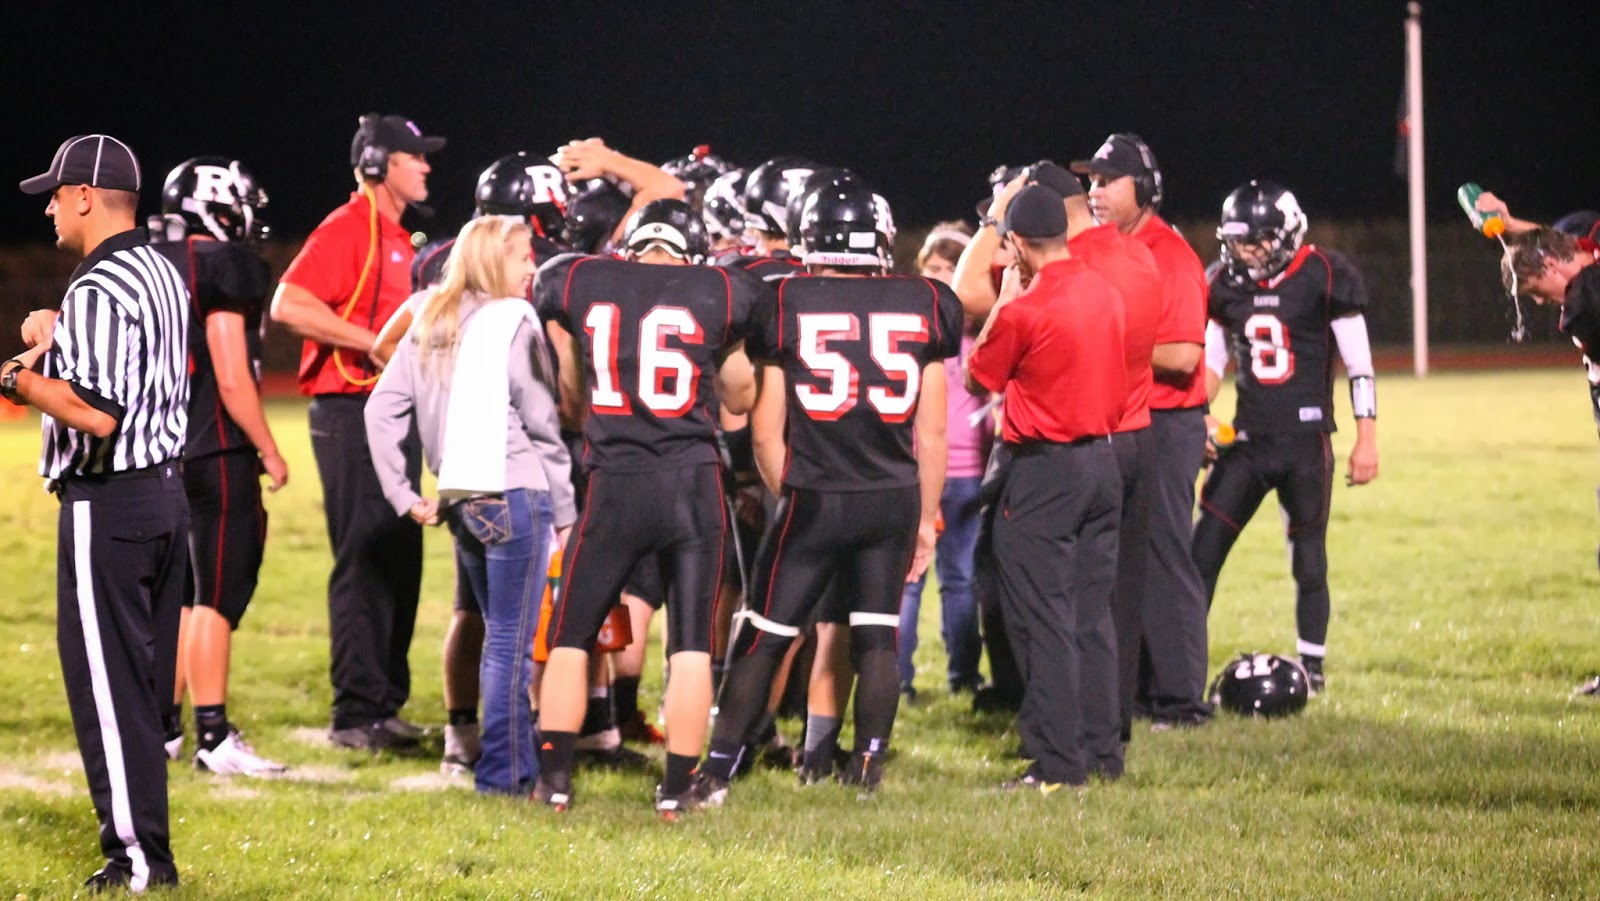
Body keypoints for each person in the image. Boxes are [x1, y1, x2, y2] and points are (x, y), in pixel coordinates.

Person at [696, 173, 962, 801]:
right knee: (876, 636)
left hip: (815, 494)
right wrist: (924, 517)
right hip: (892, 495)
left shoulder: (785, 300)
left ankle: (717, 770)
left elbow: (765, 433)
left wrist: (783, 493)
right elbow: (934, 429)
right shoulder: (925, 301)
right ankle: (866, 768)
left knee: (764, 633)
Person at [532, 199, 765, 817]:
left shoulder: (580, 278)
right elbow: (740, 400)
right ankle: (676, 790)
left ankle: (553, 781)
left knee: (571, 635)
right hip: (692, 482)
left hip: (613, 480)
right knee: (689, 642)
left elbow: (573, 393)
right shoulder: (719, 288)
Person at [9, 134, 190, 892]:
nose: (49, 205)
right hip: (165, 498)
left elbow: (97, 411)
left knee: (107, 691)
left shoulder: (97, 285)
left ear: (85, 195)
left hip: (108, 503)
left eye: (55, 192)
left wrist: (16, 378)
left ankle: (139, 859)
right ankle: (143, 843)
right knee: (140, 693)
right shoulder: (160, 269)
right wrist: (60, 335)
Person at [366, 215, 574, 795]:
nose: (532, 266)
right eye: (523, 256)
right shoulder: (513, 316)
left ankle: (514, 765)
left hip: (460, 497)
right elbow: (541, 420)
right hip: (514, 491)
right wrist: (565, 508)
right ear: (493, 261)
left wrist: (402, 494)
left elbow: (379, 411)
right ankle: (504, 776)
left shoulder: (429, 313)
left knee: (495, 635)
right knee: (510, 643)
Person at [270, 113, 444, 751]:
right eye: (414, 156)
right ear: (379, 163)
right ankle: (354, 714)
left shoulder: (398, 236)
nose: (425, 165)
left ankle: (384, 706)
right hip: (349, 411)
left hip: (391, 415)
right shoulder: (350, 226)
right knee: (366, 557)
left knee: (400, 557)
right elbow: (288, 302)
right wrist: (372, 343)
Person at [964, 184, 1127, 791]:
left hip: (1045, 470)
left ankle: (1059, 765)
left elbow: (981, 375)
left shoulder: (1028, 309)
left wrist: (1007, 299)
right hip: (1103, 464)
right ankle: (1102, 753)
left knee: (1045, 618)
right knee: (1091, 616)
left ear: (1018, 245)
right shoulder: (1104, 290)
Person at [1192, 181, 1380, 695]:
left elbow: (1360, 366)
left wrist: (1367, 437)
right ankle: (1180, 670)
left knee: (1309, 558)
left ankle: (1313, 667)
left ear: (1287, 235)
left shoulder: (1323, 275)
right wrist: (1199, 413)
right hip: (1246, 442)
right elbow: (1209, 363)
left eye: (1256, 241)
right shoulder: (1222, 284)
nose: (1245, 253)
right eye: (1237, 242)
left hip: (1305, 441)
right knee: (1200, 554)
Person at [148, 157, 289, 777]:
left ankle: (162, 730)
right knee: (215, 597)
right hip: (217, 450)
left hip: (160, 452)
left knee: (179, 596)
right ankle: (212, 734)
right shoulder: (226, 267)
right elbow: (232, 375)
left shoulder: (149, 262)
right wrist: (268, 447)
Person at [1072, 133, 1212, 729]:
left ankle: (1181, 700)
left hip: (1168, 420)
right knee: (1123, 564)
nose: (1095, 191)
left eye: (1109, 180)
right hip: (1130, 420)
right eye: (1092, 181)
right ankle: (1135, 690)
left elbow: (1182, 354)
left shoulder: (1168, 252)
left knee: (1163, 556)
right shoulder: (1107, 248)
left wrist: (1103, 339)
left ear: (1145, 188)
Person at [898, 221, 990, 700]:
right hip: (969, 471)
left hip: (920, 470)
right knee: (959, 580)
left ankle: (900, 682)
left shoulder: (910, 331)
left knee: (910, 581)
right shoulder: (981, 331)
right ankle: (964, 678)